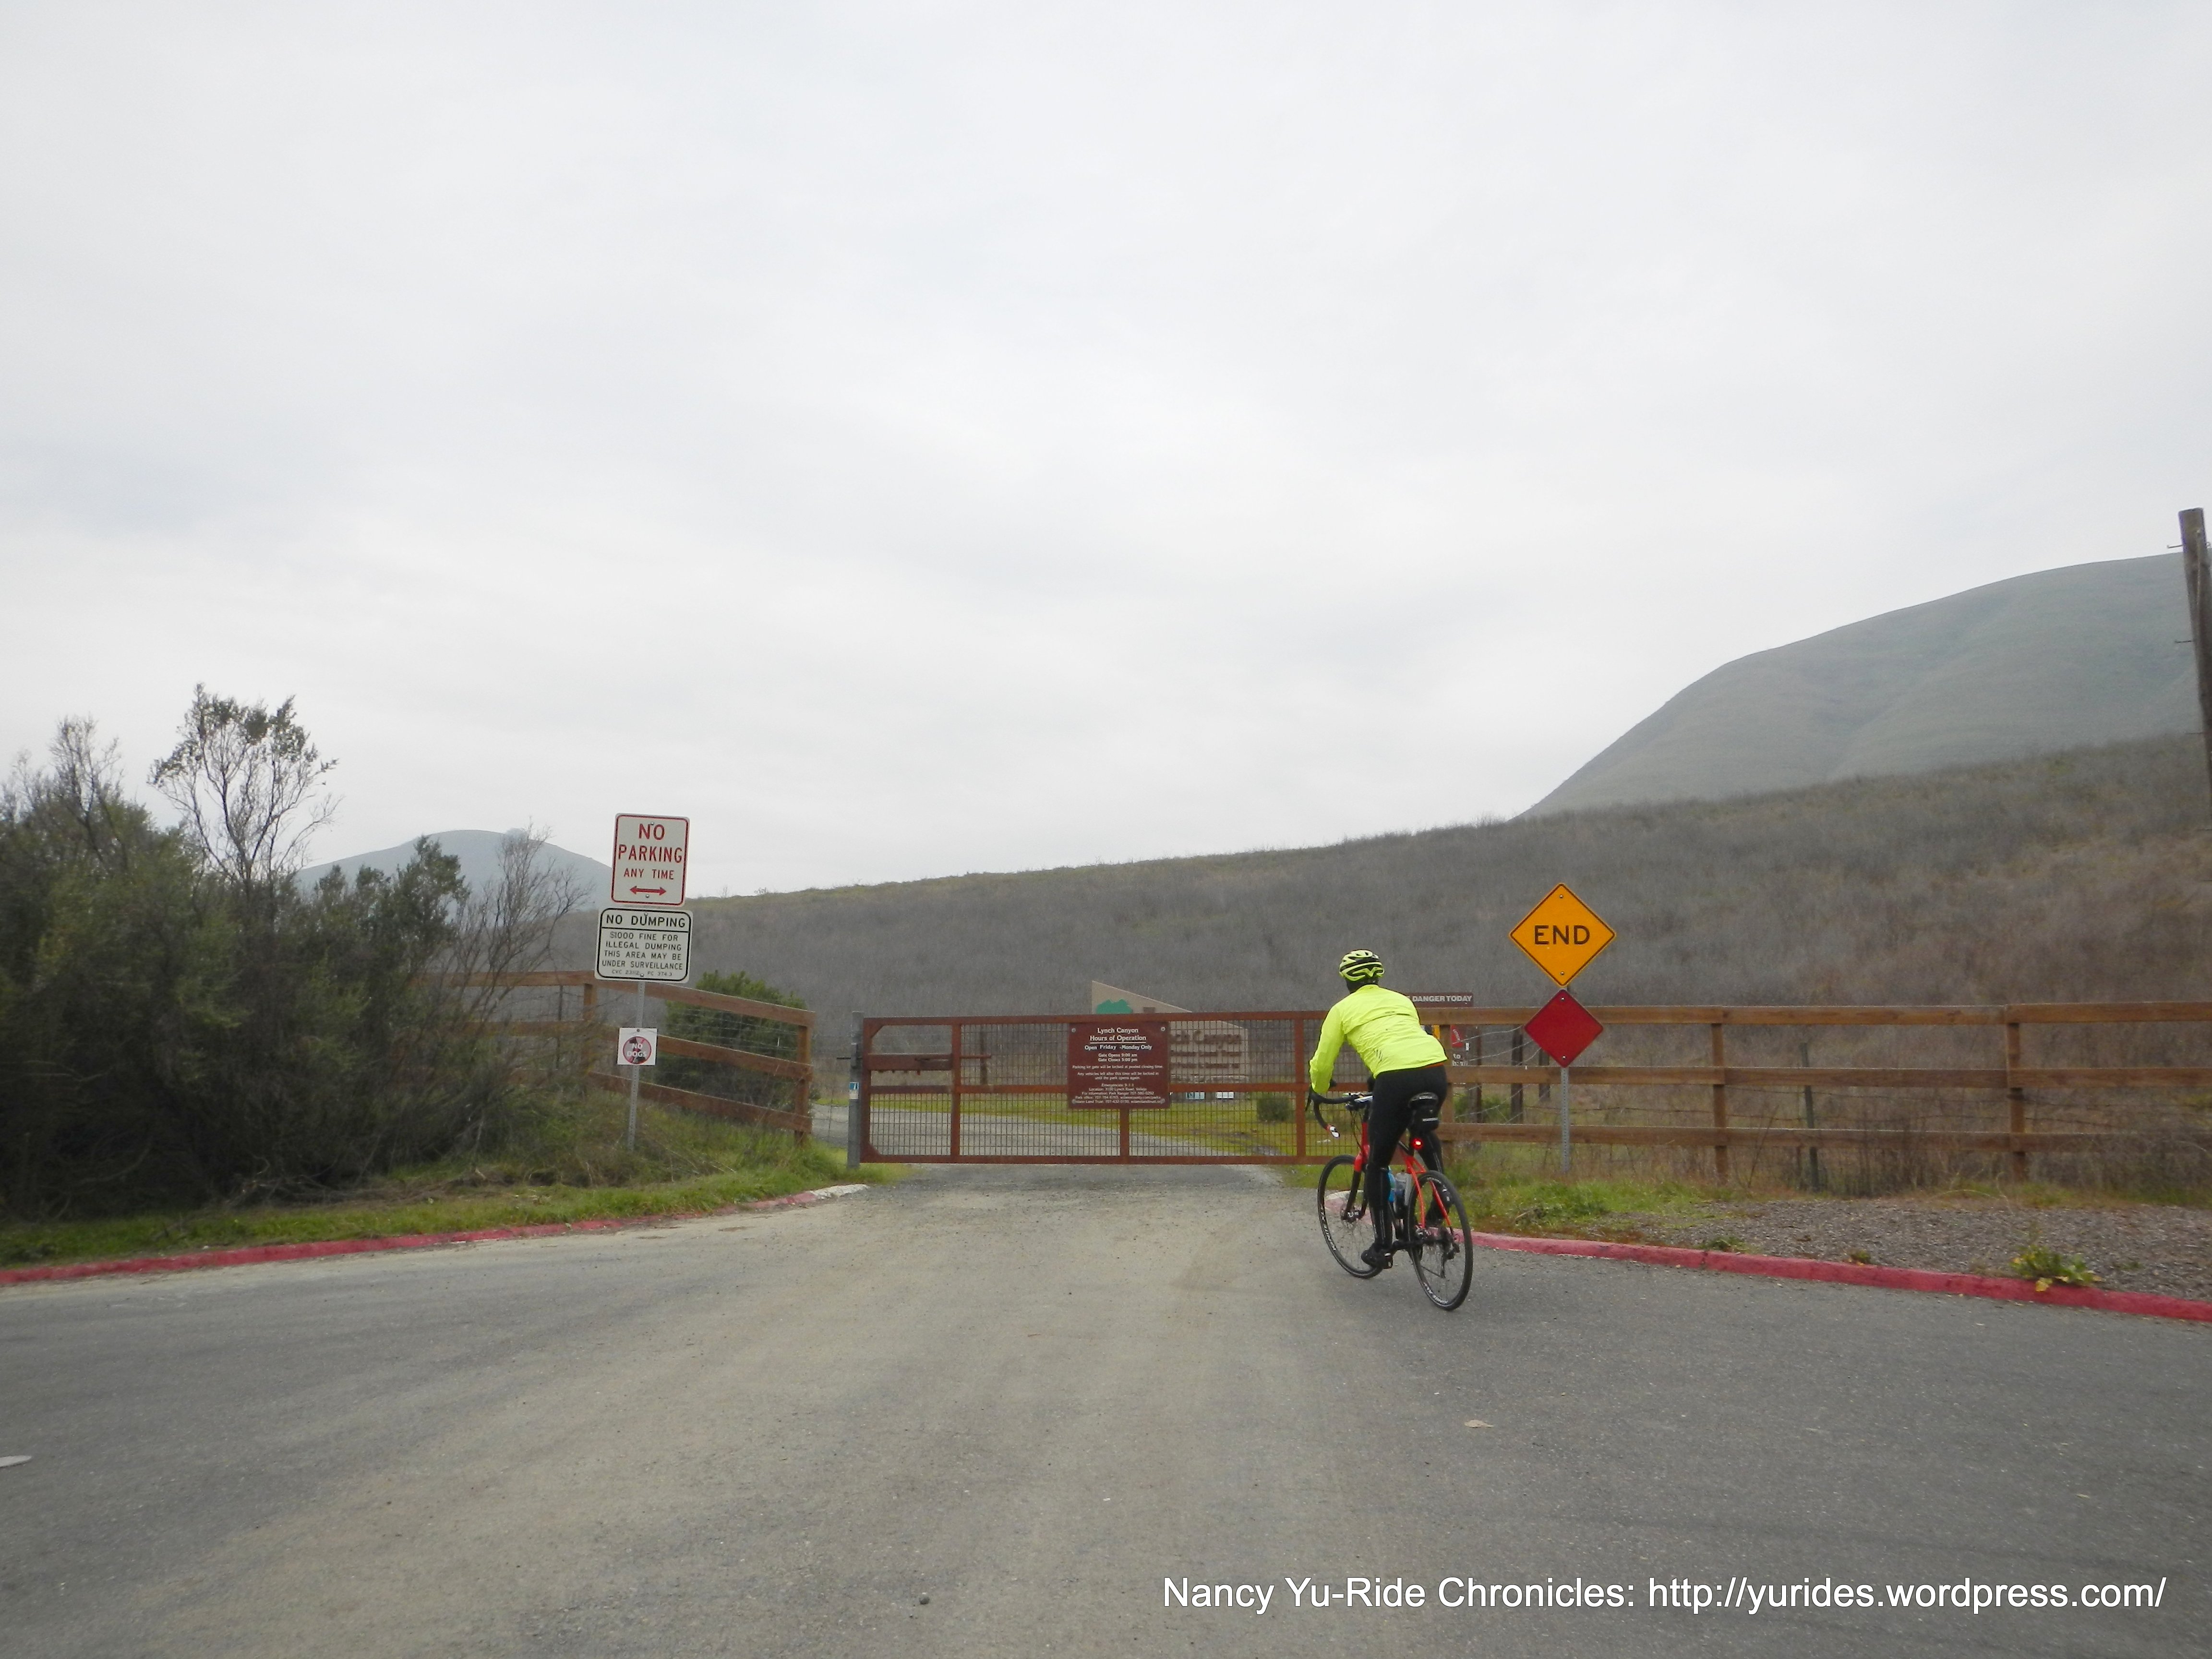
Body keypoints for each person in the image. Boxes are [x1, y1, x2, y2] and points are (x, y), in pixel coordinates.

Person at [1308, 949, 1451, 1272]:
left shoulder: (1342, 1010)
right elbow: (1403, 1040)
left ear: (1347, 981)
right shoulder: (1402, 1001)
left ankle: (1383, 1246)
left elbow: (1324, 1059)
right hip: (1434, 1070)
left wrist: (1318, 1088)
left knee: (1377, 1163)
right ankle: (1442, 1189)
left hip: (1395, 1078)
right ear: (1378, 976)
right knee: (1421, 1130)